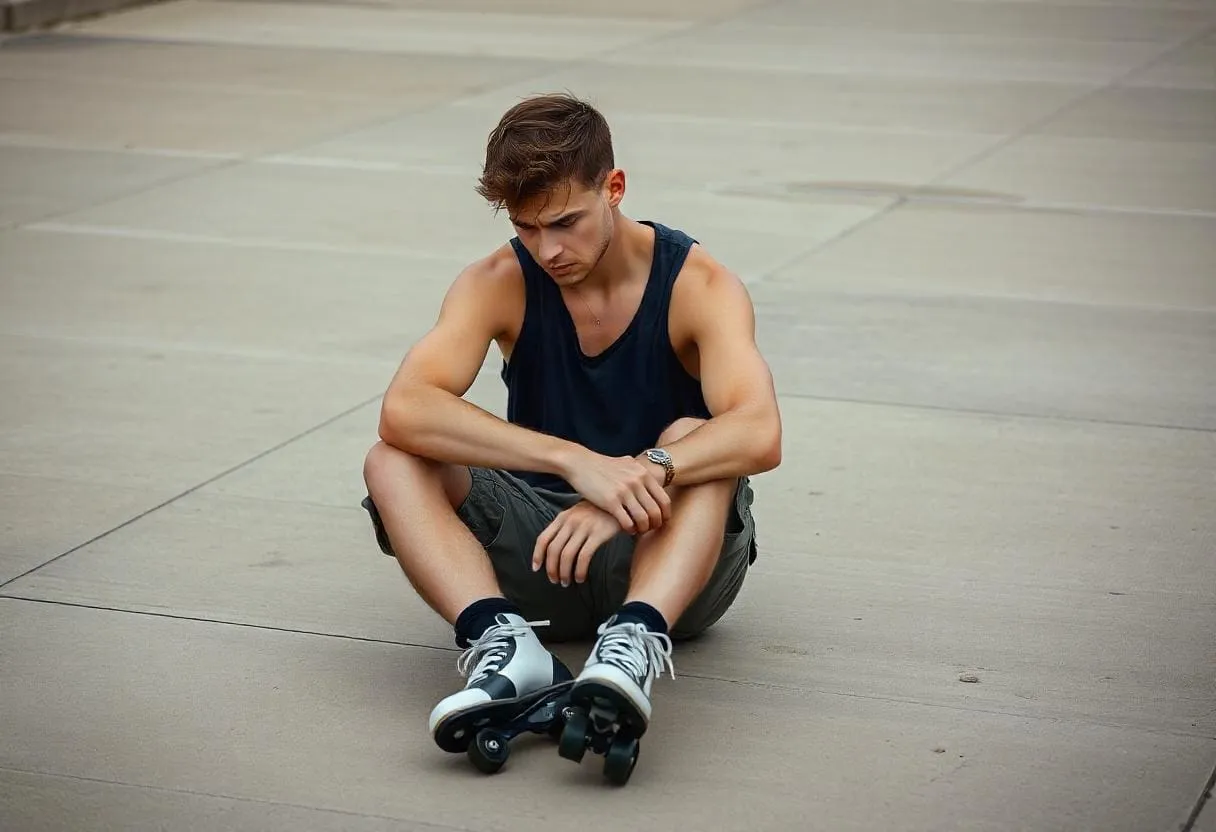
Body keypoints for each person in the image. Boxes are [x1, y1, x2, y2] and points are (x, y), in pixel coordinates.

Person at [361, 92, 782, 750]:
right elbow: (405, 409)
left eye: (564, 223)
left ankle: (633, 642)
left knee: (689, 439)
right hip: (548, 552)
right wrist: (574, 463)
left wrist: (638, 478)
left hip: (675, 556)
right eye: (527, 228)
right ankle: (504, 641)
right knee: (392, 458)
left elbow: (759, 430)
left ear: (614, 187)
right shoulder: (500, 279)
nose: (547, 249)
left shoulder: (697, 285)